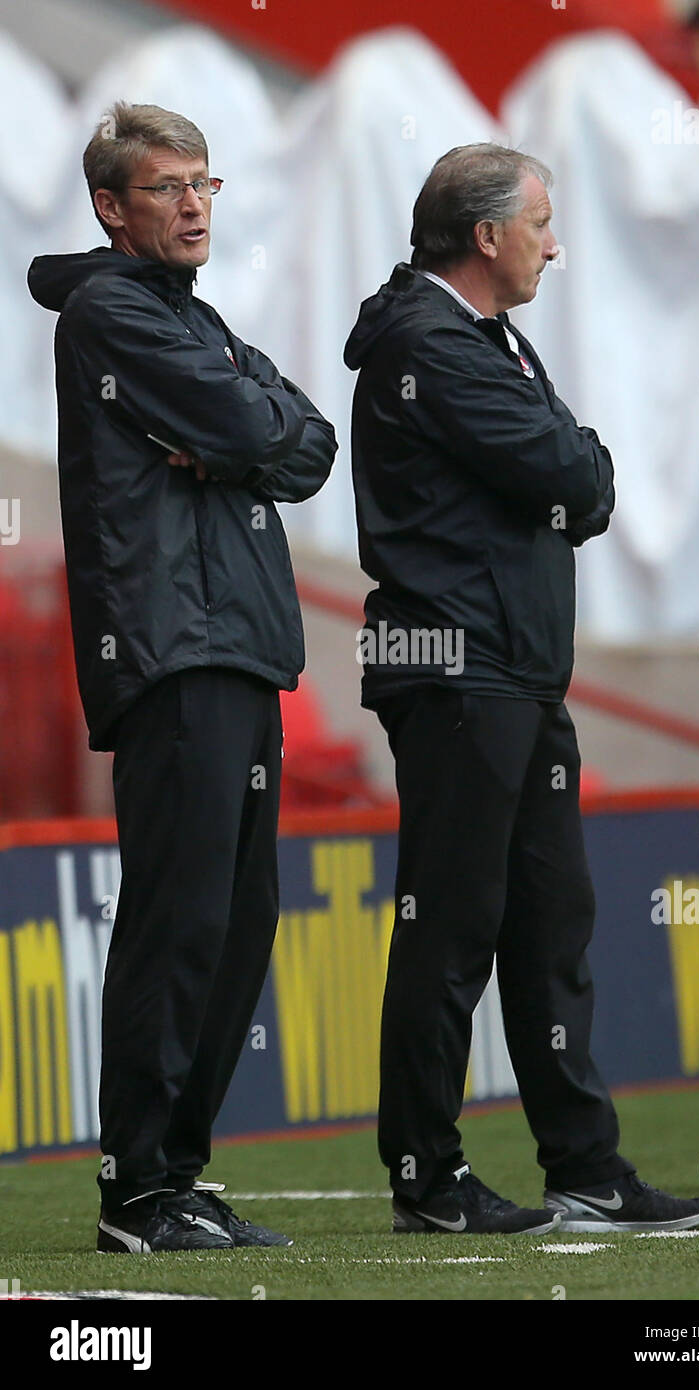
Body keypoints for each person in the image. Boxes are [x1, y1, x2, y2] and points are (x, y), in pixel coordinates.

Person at [344, 143, 699, 1236]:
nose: (557, 245)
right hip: (455, 666)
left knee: (550, 924)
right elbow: (574, 475)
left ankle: (584, 1166)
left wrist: (577, 462)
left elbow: (579, 476)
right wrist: (577, 460)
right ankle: (426, 1174)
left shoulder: (483, 339)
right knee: (451, 925)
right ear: (487, 236)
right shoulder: (432, 344)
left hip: (512, 667)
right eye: (543, 223)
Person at [28, 102, 337, 1253]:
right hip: (174, 647)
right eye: (167, 186)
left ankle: (177, 1173)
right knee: (179, 916)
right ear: (112, 207)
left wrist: (234, 437)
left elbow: (309, 442)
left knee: (237, 915)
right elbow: (265, 433)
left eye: (205, 182)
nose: (195, 202)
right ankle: (139, 1189)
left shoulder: (190, 321)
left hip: (239, 645)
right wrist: (241, 437)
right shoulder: (112, 311)